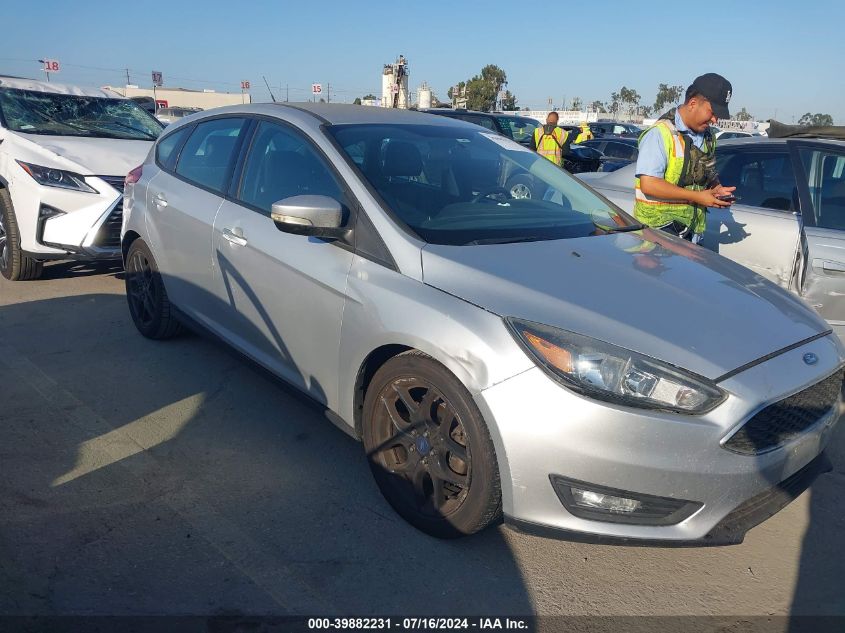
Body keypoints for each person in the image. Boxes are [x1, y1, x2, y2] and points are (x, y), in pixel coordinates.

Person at [633, 73, 736, 243]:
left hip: (691, 233)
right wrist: (698, 197)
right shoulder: (660, 133)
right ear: (693, 103)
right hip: (656, 235)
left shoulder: (708, 137)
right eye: (712, 112)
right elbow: (649, 184)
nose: (715, 119)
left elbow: (708, 171)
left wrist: (716, 188)